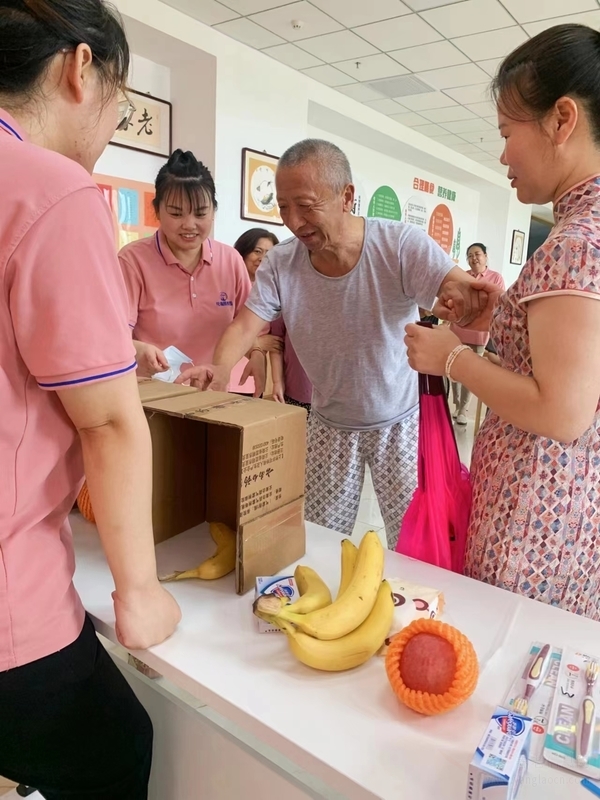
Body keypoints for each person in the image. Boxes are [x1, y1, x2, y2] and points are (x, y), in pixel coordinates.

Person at [0, 1, 181, 798]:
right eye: (120, 98)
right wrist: (138, 595)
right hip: (12, 609)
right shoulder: (54, 188)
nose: (111, 120)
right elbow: (109, 421)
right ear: (80, 69)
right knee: (118, 744)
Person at [177, 139, 495, 548]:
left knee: (416, 540)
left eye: (306, 205)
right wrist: (220, 370)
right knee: (319, 539)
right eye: (283, 207)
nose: (293, 221)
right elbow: (244, 325)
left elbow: (451, 284)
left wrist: (461, 297)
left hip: (401, 422)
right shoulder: (281, 262)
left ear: (346, 196)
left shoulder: (399, 246)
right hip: (330, 426)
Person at [405, 23, 600, 620]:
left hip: (533, 515)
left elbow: (561, 412)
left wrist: (452, 359)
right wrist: (496, 331)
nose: (503, 154)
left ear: (561, 121)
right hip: (569, 507)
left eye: (507, 132)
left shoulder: (577, 242)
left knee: (498, 667)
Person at [119, 152, 279, 395]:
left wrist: (255, 351)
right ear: (157, 210)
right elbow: (113, 336)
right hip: (156, 395)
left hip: (217, 390)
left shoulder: (230, 260)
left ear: (213, 210)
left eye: (201, 213)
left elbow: (247, 326)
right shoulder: (132, 261)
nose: (189, 224)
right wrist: (136, 349)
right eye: (176, 213)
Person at [234, 228, 313, 412]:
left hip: (258, 371)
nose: (263, 258)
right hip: (233, 371)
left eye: (269, 253)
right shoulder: (233, 285)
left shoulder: (274, 290)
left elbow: (277, 341)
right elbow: (227, 328)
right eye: (257, 251)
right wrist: (259, 343)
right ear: (243, 252)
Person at [450, 243, 505, 425]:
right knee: (453, 370)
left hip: (479, 334)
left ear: (485, 256)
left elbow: (498, 304)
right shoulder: (463, 276)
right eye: (470, 255)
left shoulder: (495, 278)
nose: (474, 258)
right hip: (458, 330)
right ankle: (457, 404)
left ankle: (463, 409)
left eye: (477, 254)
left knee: (470, 373)